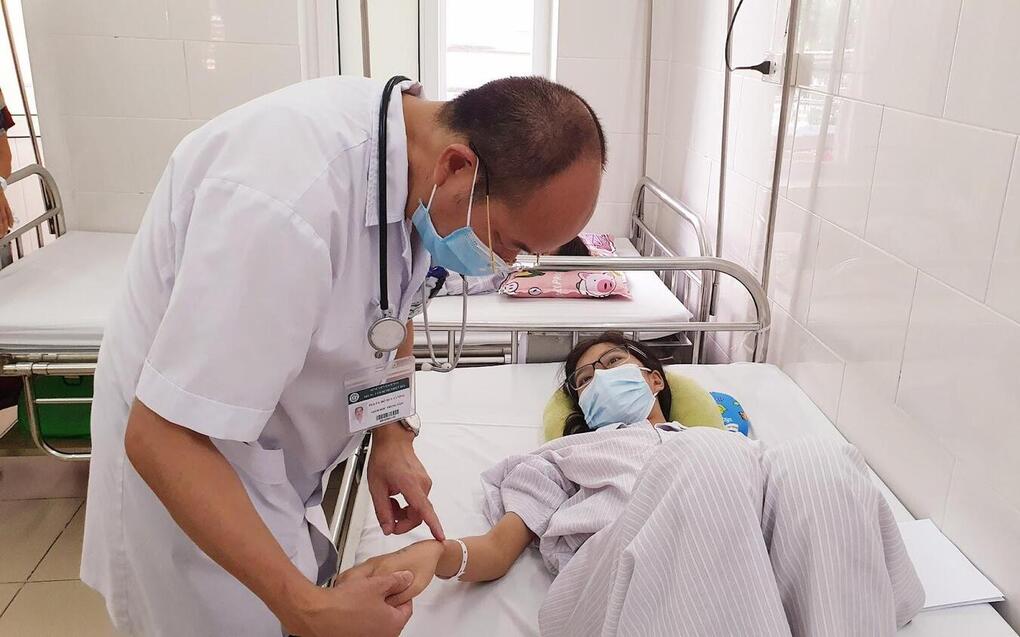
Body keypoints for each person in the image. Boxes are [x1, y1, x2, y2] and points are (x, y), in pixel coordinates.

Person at [81, 75, 606, 637]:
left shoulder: (410, 165)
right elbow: (161, 437)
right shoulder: (285, 202)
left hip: (260, 456)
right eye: (507, 243)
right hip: (190, 477)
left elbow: (390, 309)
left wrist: (391, 434)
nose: (501, 265)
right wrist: (307, 608)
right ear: (458, 167)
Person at [344, 333, 925, 636]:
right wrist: (435, 554)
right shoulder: (562, 458)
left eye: (612, 363)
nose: (597, 378)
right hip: (612, 587)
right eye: (583, 379)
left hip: (750, 568)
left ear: (653, 378)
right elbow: (498, 550)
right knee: (704, 457)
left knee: (820, 461)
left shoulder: (734, 446)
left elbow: (795, 525)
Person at [432, 235, 592, 297]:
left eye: (544, 253)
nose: (536, 252)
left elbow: (455, 282)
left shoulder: (507, 272)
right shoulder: (512, 242)